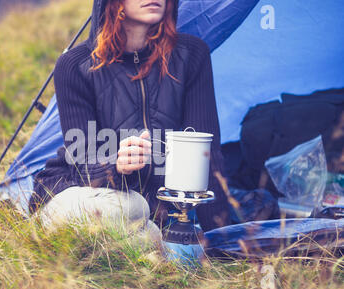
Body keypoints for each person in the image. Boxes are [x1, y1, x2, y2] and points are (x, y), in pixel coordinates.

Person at [29, 0, 230, 238]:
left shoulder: (191, 55)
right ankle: (54, 225)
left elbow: (207, 154)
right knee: (129, 208)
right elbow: (81, 160)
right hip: (89, 194)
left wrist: (222, 238)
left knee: (151, 234)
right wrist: (116, 164)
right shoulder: (75, 65)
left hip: (155, 215)